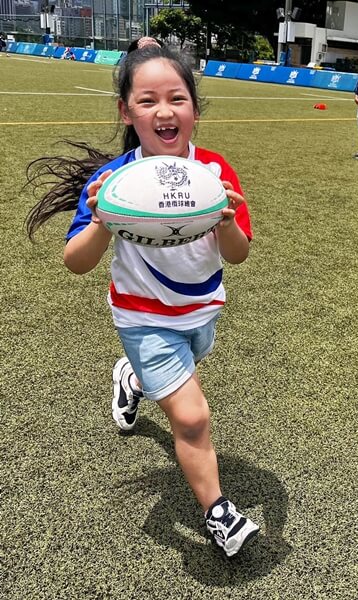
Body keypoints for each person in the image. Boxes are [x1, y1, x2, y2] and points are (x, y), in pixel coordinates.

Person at [25, 45, 259, 558]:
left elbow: (238, 255)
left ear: (195, 108)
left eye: (177, 97)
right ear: (126, 112)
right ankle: (219, 513)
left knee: (187, 370)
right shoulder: (113, 182)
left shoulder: (214, 172)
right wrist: (104, 219)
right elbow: (76, 261)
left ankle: (129, 378)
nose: (164, 110)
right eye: (147, 100)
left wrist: (224, 217)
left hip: (200, 312)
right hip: (142, 318)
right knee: (193, 417)